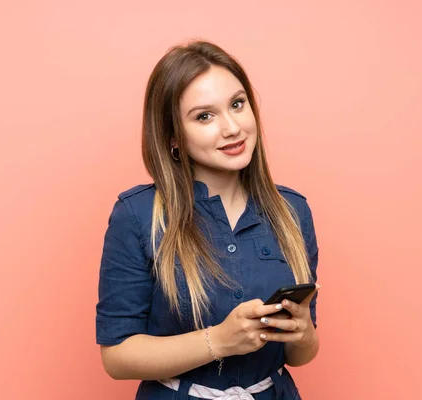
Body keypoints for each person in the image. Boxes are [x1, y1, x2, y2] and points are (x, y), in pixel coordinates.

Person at [96, 40, 321, 400]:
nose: (232, 128)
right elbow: (117, 357)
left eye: (237, 104)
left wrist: (305, 334)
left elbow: (300, 354)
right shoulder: (137, 216)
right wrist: (218, 341)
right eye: (204, 116)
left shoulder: (293, 212)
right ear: (173, 138)